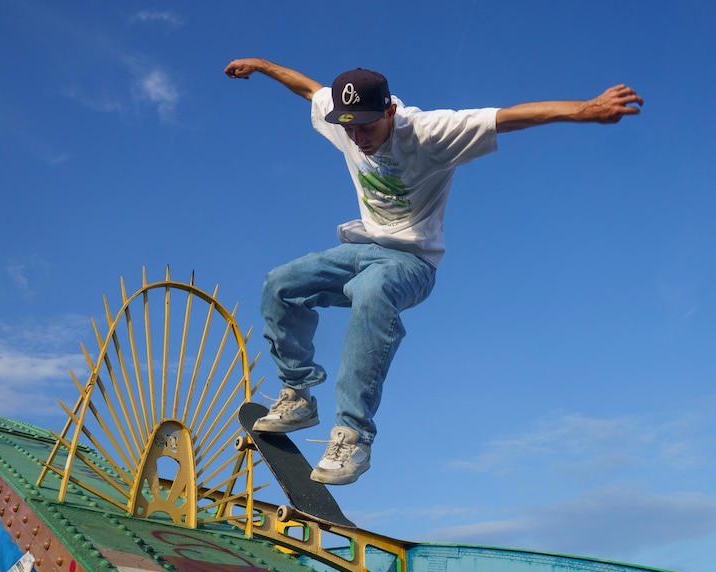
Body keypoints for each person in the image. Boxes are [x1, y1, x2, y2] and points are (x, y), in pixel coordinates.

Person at [224, 57, 642, 486]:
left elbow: (508, 119)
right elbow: (309, 89)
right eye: (350, 127)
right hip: (365, 247)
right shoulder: (345, 121)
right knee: (280, 284)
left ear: (389, 112)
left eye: (367, 126)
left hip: (412, 262)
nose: (357, 137)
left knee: (372, 291)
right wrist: (260, 65)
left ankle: (353, 434)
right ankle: (298, 395)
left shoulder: (428, 133)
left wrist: (586, 111)